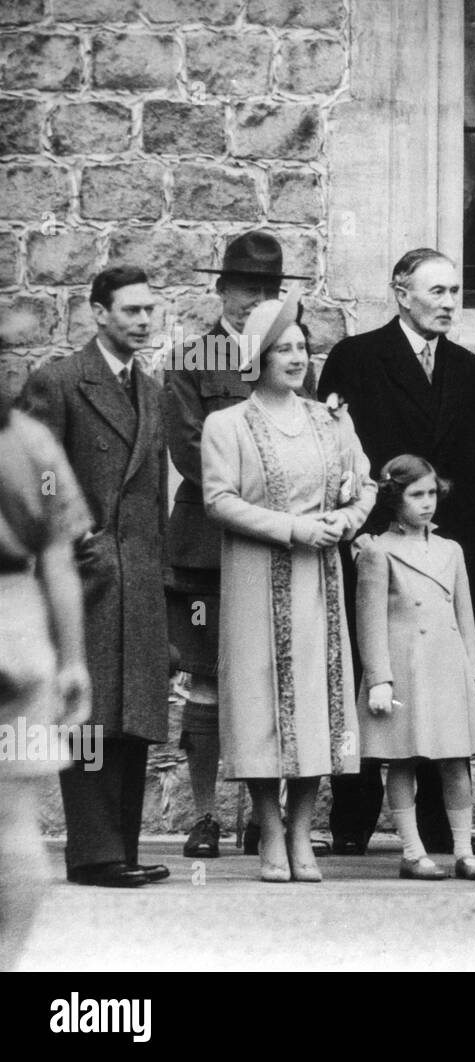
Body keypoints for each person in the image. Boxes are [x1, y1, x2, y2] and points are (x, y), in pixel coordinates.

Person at [319, 249, 475, 858]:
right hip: (374, 551)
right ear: (401, 292)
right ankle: (354, 817)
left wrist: (466, 548)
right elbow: (336, 458)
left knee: (441, 687)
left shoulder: (469, 369)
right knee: (376, 674)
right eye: (437, 291)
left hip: (445, 553)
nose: (449, 303)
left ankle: (442, 828)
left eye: (455, 291)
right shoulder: (356, 359)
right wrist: (359, 534)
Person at [201, 295, 376, 882]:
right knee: (259, 703)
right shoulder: (226, 424)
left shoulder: (330, 420)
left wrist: (344, 523)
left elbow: (365, 485)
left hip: (319, 579)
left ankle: (302, 831)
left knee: (316, 703)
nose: (297, 357)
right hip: (257, 575)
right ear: (259, 355)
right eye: (284, 348)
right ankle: (269, 828)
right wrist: (294, 528)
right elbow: (218, 499)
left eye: (302, 347)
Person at [164, 230, 314, 859]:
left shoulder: (293, 355)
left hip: (276, 546)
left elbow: (305, 440)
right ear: (221, 289)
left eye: (270, 290)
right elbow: (192, 452)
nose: (258, 298)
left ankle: (267, 819)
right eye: (248, 287)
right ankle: (205, 816)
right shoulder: (190, 360)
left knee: (274, 676)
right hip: (208, 545)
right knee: (206, 680)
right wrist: (267, 498)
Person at [20, 266, 171, 889]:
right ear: (98, 313)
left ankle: (123, 848)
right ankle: (93, 854)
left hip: (138, 572)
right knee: (89, 716)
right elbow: (39, 470)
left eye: (149, 311)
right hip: (84, 572)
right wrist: (66, 530)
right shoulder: (58, 381)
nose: (143, 321)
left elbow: (157, 486)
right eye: (130, 311)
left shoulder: (154, 389)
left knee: (132, 715)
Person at [355, 455, 475, 881]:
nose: (427, 503)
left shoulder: (452, 550)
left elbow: (465, 616)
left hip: (446, 664)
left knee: (455, 758)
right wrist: (379, 678)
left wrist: (473, 671)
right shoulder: (378, 551)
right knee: (403, 759)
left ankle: (464, 850)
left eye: (432, 493)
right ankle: (413, 852)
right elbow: (370, 620)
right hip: (404, 666)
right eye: (417, 494)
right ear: (395, 498)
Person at [0, 393, 93, 962]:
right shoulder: (29, 440)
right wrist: (73, 659)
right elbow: (58, 556)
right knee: (12, 819)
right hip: (16, 625)